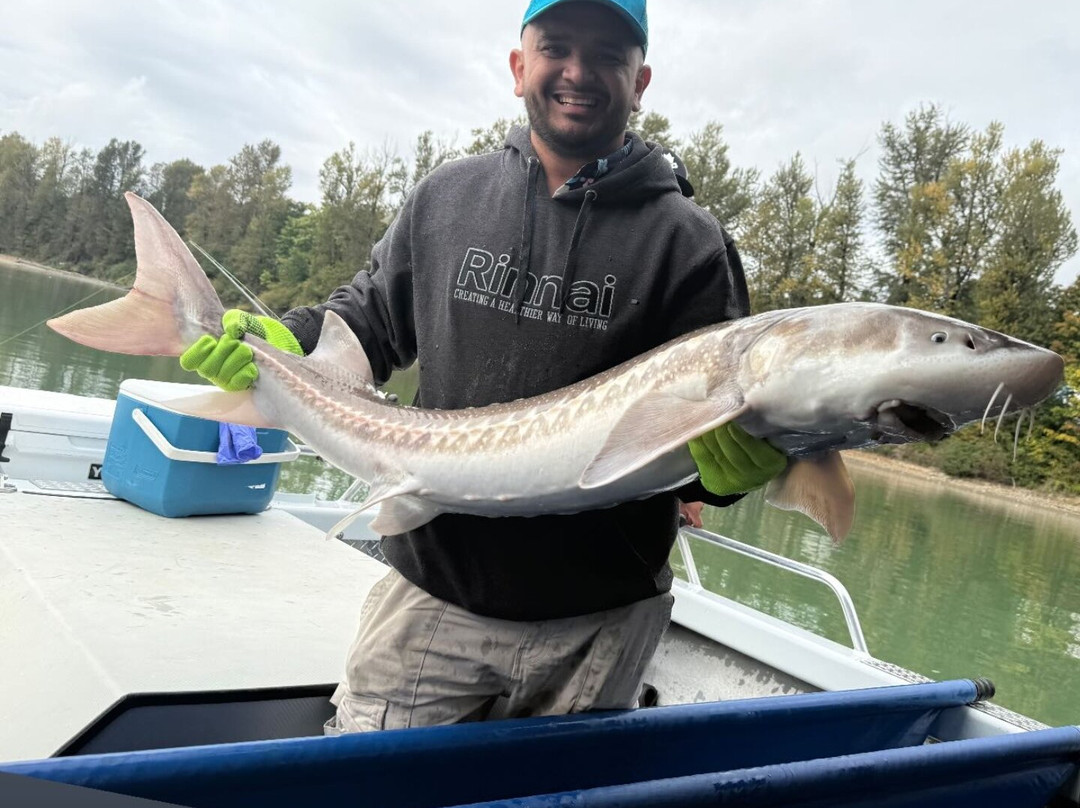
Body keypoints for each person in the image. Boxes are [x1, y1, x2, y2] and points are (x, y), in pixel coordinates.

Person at [181, 0, 786, 732]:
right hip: (433, 600)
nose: (576, 72)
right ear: (517, 66)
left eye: (606, 57)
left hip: (600, 625)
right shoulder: (448, 195)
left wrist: (727, 476)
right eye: (556, 47)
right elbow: (368, 321)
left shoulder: (691, 243)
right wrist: (285, 339)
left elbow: (708, 438)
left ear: (641, 80)